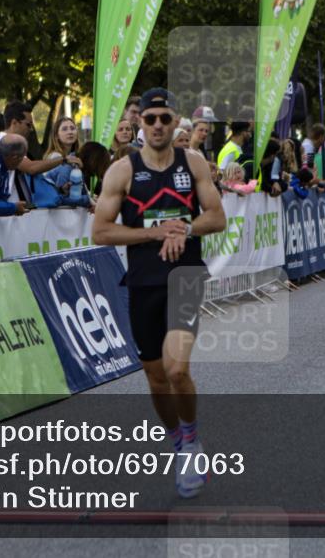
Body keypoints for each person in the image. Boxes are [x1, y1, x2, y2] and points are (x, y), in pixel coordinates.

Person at [91, 88, 225, 499]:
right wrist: (155, 232)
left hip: (185, 275)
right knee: (155, 377)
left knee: (177, 369)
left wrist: (184, 228)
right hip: (144, 280)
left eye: (165, 118)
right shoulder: (122, 170)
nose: (158, 126)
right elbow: (100, 231)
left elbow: (217, 217)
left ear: (174, 120)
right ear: (138, 123)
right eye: (150, 119)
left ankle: (191, 441)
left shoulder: (194, 162)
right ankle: (177, 441)